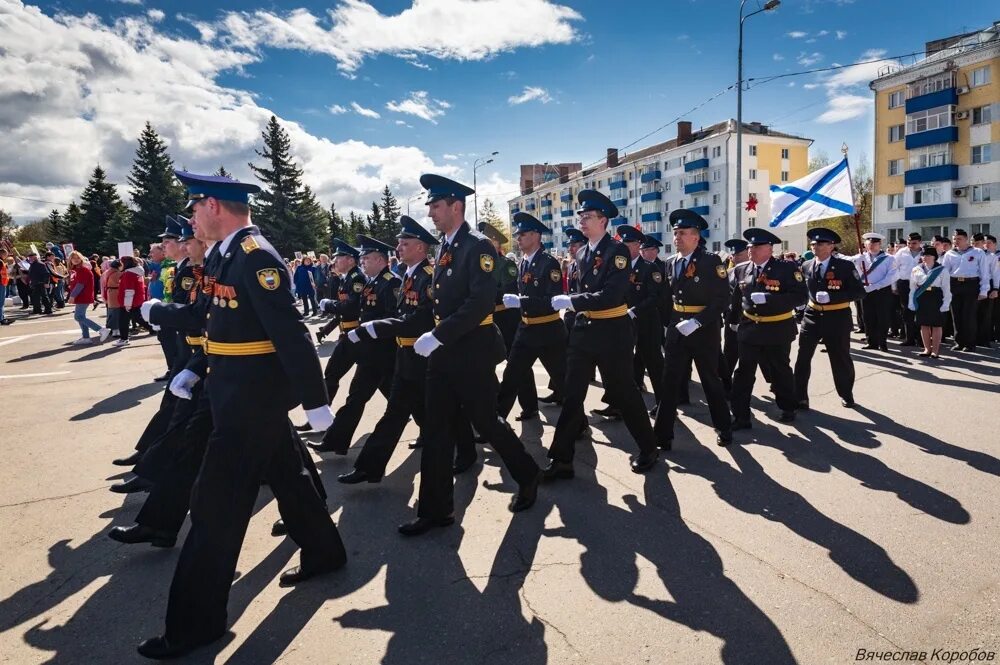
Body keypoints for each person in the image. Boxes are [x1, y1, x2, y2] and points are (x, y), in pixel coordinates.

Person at [136, 170, 346, 659]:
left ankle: (195, 627)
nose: (191, 219)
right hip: (232, 391)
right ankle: (325, 551)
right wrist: (192, 363)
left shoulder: (256, 258)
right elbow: (209, 321)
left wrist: (316, 402)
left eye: (194, 208)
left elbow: (291, 333)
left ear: (214, 206)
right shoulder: (225, 255)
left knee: (214, 511)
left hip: (250, 403)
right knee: (289, 478)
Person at [400, 174, 541, 536]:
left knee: (488, 422)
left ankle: (527, 475)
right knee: (436, 428)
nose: (430, 211)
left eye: (435, 205)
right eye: (430, 205)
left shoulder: (477, 247)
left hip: (471, 352)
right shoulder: (446, 247)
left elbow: (479, 303)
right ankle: (436, 510)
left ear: (455, 206)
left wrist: (438, 334)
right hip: (444, 353)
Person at [339, 216, 476, 483]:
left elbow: (421, 319)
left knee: (447, 410)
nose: (398, 248)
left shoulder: (428, 276)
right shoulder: (407, 276)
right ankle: (369, 466)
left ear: (421, 248)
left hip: (426, 356)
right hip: (404, 356)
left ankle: (467, 453)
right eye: (399, 243)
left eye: (405, 243)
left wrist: (376, 327)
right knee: (394, 414)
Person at [547, 189, 659, 478]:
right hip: (584, 331)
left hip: (612, 332)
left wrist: (573, 302)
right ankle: (561, 459)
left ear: (604, 221)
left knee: (624, 393)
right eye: (581, 216)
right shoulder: (582, 252)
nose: (582, 221)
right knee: (572, 395)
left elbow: (612, 295)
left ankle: (648, 448)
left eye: (588, 217)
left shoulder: (617, 251)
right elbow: (581, 290)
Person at [310, 235, 400, 453]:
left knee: (363, 397)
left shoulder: (392, 282)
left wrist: (367, 332)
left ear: (380, 260)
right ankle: (335, 442)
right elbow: (360, 310)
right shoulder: (372, 282)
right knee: (375, 396)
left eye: (366, 259)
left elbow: (393, 318)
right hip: (370, 350)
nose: (363, 263)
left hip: (383, 351)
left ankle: (335, 441)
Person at [653, 209, 732, 449]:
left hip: (703, 330)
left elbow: (722, 300)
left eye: (683, 233)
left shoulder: (710, 261)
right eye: (675, 233)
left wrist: (697, 321)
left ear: (696, 237)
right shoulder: (671, 262)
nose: (677, 237)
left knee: (710, 380)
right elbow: (667, 298)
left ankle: (724, 428)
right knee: (670, 382)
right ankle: (662, 435)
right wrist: (669, 325)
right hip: (678, 328)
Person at [728, 228, 807, 429]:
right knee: (744, 372)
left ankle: (788, 407)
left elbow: (800, 297)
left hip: (777, 328)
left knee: (780, 370)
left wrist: (770, 299)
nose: (750, 249)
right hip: (749, 328)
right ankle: (740, 416)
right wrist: (733, 320)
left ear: (769, 248)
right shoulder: (741, 269)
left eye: (756, 246)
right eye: (749, 246)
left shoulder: (786, 269)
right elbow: (737, 298)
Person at [495, 212, 567, 419]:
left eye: (523, 234)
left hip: (548, 331)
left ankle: (578, 424)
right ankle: (496, 423)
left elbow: (552, 300)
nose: (518, 238)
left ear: (536, 236)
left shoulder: (548, 263)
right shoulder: (524, 262)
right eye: (518, 234)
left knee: (563, 381)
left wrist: (521, 301)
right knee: (511, 378)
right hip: (526, 329)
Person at [793, 228, 865, 410]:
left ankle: (846, 393)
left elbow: (859, 292)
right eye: (813, 244)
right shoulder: (807, 265)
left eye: (820, 243)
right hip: (812, 315)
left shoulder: (845, 266)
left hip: (837, 316)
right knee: (803, 357)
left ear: (831, 246)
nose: (815, 246)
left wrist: (834, 297)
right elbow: (801, 288)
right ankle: (800, 396)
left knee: (840, 358)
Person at [480, 221, 537, 420]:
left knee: (517, 365)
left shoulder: (506, 264)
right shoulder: (480, 262)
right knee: (485, 365)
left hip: (506, 318)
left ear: (496, 243)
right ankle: (492, 407)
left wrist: (482, 293)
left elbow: (508, 291)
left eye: (487, 241)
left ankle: (529, 405)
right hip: (486, 320)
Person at [618, 226, 664, 409]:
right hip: (623, 322)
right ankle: (618, 403)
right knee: (622, 364)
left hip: (646, 322)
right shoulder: (620, 266)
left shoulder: (649, 268)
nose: (625, 247)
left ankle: (663, 404)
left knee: (654, 364)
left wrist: (634, 310)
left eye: (629, 243)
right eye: (623, 243)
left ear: (638, 245)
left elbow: (655, 297)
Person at [942, 229, 990, 352]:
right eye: (954, 239)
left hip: (971, 284)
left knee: (969, 315)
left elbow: (984, 273)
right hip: (954, 284)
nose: (956, 241)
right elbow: (945, 273)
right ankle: (959, 342)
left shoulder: (978, 252)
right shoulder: (949, 254)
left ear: (966, 239)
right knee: (956, 315)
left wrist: (984, 290)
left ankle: (970, 343)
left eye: (959, 239)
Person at [850, 233, 896, 351]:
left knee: (883, 317)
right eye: (869, 243)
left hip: (882, 291)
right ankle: (871, 342)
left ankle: (882, 342)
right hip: (866, 291)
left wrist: (875, 286)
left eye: (874, 243)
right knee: (868, 317)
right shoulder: (861, 257)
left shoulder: (889, 258)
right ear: (865, 244)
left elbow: (891, 276)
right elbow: (850, 267)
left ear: (880, 244)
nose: (871, 245)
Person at [909, 245, 951, 359]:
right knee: (924, 324)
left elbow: (946, 289)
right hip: (922, 297)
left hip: (936, 297)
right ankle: (927, 348)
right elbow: (912, 287)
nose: (925, 257)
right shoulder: (916, 269)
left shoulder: (942, 270)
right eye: (923, 255)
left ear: (934, 257)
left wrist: (946, 303)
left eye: (928, 255)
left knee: (936, 324)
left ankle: (935, 350)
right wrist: (911, 302)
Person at [66, 251, 112, 345]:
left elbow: (80, 285)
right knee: (81, 317)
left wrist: (72, 296)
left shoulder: (83, 270)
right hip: (81, 296)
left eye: (78, 258)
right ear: (70, 259)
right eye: (73, 258)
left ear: (81, 259)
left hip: (83, 296)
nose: (75, 259)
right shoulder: (77, 270)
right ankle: (86, 337)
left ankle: (101, 330)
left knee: (78, 316)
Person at [892, 232, 924, 347]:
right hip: (904, 284)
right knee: (907, 312)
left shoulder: (925, 252)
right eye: (908, 242)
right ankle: (909, 338)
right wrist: (894, 286)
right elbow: (894, 269)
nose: (910, 245)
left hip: (921, 285)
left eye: (914, 243)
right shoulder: (901, 252)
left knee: (920, 312)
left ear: (920, 242)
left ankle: (921, 339)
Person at [115, 256, 147, 347]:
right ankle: (153, 329)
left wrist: (127, 304)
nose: (119, 265)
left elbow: (129, 290)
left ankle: (124, 339)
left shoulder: (128, 274)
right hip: (135, 300)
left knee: (123, 320)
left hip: (129, 302)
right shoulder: (136, 272)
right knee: (137, 317)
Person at [26, 251, 54, 315]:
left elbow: (46, 274)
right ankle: (37, 310)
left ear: (35, 257)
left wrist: (46, 282)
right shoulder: (33, 264)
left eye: (31, 257)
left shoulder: (40, 264)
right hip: (35, 283)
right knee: (36, 297)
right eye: (29, 257)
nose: (30, 259)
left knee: (44, 297)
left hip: (40, 283)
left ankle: (48, 309)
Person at [0, 248, 12, 325]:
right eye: (6, 254)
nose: (6, 256)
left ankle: (2, 317)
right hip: (1, 283)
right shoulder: (0, 262)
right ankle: (2, 319)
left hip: (2, 283)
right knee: (1, 302)